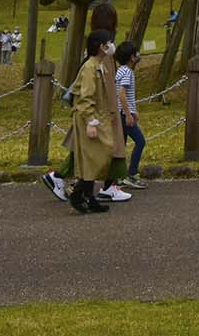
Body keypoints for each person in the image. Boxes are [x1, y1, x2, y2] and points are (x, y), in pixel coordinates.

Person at [41, 30, 125, 214]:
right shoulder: (89, 67)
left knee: (99, 156)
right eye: (108, 43)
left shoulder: (98, 65)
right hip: (91, 118)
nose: (111, 46)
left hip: (98, 117)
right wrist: (90, 121)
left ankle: (87, 195)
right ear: (100, 46)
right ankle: (80, 194)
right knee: (93, 158)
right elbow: (85, 97)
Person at [112, 40, 147, 190]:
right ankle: (131, 174)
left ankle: (117, 177)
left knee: (121, 146)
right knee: (140, 142)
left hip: (122, 112)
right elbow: (122, 94)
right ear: (131, 57)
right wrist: (128, 114)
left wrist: (133, 110)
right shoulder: (127, 72)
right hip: (123, 114)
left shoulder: (120, 70)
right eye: (136, 53)